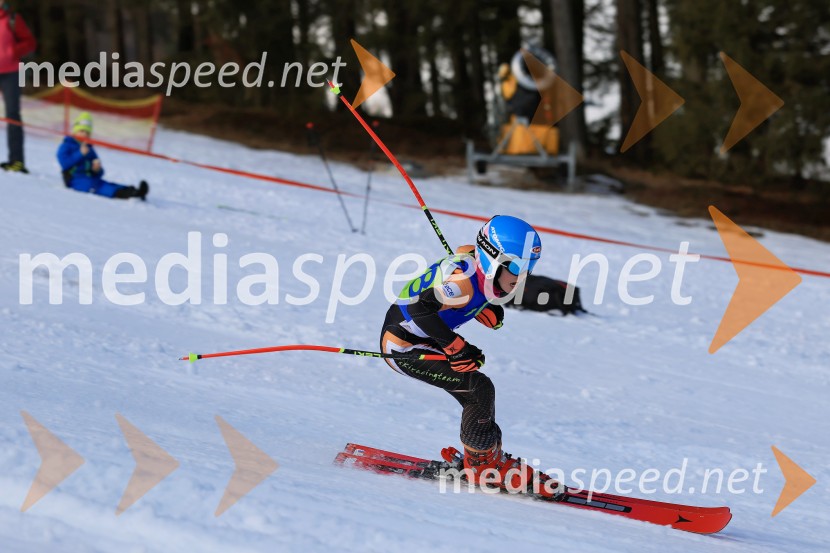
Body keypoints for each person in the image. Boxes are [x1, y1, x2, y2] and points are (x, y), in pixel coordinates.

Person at [380, 215, 563, 499]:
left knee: (475, 392)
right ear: (493, 258)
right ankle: (482, 465)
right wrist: (455, 345)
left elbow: (467, 259)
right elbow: (419, 308)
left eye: (528, 267)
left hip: (425, 338)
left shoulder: (473, 258)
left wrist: (479, 308)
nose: (520, 276)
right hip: (403, 347)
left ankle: (482, 457)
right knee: (478, 389)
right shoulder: (463, 285)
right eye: (515, 266)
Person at [57, 112, 149, 200]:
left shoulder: (90, 149)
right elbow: (65, 164)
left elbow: (100, 172)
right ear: (75, 131)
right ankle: (129, 194)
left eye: (87, 133)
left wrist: (97, 169)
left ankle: (134, 192)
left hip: (91, 179)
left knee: (107, 185)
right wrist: (80, 154)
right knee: (100, 188)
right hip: (75, 180)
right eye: (81, 131)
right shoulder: (67, 145)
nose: (84, 134)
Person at [0, 2, 37, 173]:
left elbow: (30, 42)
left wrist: (13, 52)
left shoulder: (13, 19)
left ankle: (17, 161)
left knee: (12, 115)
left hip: (11, 74)